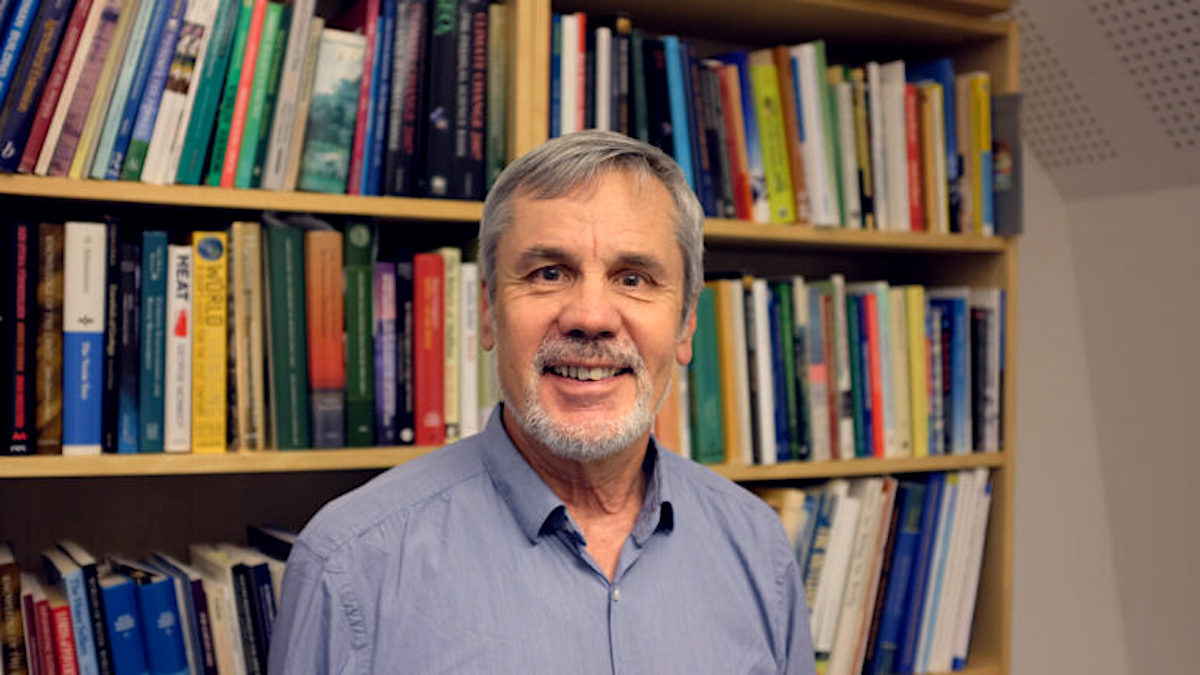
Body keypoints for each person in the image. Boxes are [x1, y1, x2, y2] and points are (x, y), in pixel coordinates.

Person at [268, 130, 817, 674]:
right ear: (487, 312)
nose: (591, 317)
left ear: (687, 322)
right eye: (548, 273)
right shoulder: (348, 563)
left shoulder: (757, 546)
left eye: (634, 278)